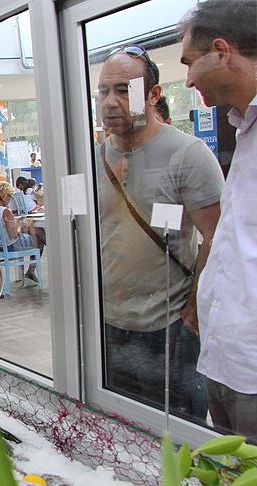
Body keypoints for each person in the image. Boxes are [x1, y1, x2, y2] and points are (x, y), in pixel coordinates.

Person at [96, 44, 224, 421]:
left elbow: (217, 237)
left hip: (168, 328)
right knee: (117, 433)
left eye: (124, 90)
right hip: (107, 324)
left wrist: (196, 305)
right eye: (104, 91)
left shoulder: (187, 154)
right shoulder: (95, 157)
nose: (110, 102)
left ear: (154, 95)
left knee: (178, 440)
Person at [179, 0, 257, 441]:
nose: (187, 78)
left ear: (222, 52)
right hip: (223, 358)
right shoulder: (243, 128)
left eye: (190, 63)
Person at [0, 181, 45, 283]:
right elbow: (14, 235)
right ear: (5, 196)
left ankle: (28, 273)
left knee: (35, 231)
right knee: (39, 237)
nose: (11, 199)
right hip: (11, 245)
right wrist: (20, 226)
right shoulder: (6, 211)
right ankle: (31, 270)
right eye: (10, 196)